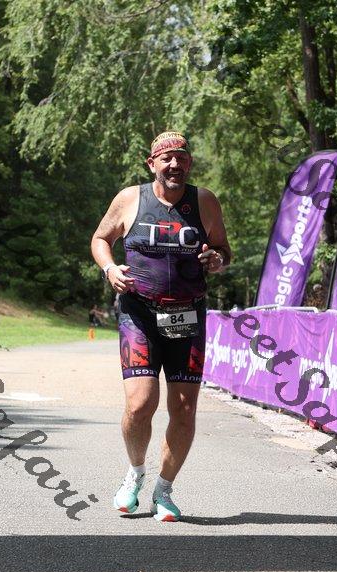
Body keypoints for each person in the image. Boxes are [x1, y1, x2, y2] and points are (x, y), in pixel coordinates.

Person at [91, 131, 231, 521]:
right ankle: (135, 473)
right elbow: (100, 239)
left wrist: (218, 260)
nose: (174, 165)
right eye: (166, 158)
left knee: (183, 410)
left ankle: (164, 490)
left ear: (189, 163)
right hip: (139, 314)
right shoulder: (130, 199)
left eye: (181, 158)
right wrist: (109, 269)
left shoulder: (204, 201)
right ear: (151, 163)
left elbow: (223, 249)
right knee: (140, 404)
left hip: (188, 315)